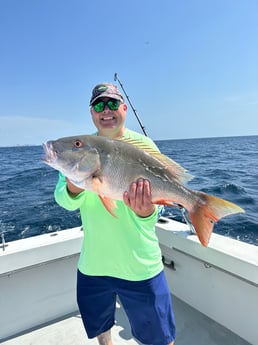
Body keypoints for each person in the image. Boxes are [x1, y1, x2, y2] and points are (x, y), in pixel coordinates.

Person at [54, 83, 176, 345]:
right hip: (94, 265)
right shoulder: (79, 149)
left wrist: (147, 211)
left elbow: (160, 208)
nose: (105, 110)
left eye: (111, 103)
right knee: (101, 326)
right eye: (99, 105)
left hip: (141, 266)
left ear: (124, 108)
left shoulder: (144, 145)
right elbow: (64, 201)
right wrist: (78, 181)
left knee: (160, 338)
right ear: (91, 113)